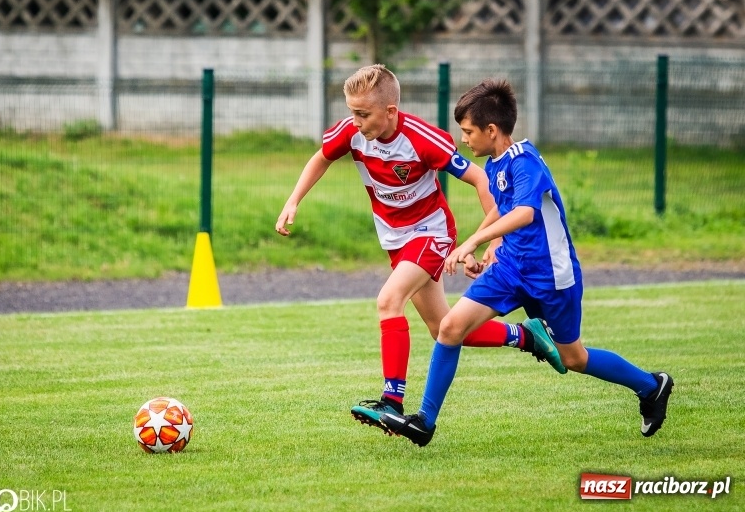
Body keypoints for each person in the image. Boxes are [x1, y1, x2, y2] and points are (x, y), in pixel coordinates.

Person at [380, 78, 674, 446]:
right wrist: (482, 246)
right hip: (510, 268)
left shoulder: (525, 161)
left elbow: (524, 213)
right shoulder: (494, 163)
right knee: (451, 327)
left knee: (574, 359)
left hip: (550, 274)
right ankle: (425, 421)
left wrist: (473, 239)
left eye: (469, 132)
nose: (464, 139)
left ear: (492, 130)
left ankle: (651, 386)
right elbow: (502, 212)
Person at [275, 65, 565, 435]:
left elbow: (479, 178)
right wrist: (293, 200)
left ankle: (391, 401)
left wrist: (493, 238)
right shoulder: (352, 132)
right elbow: (322, 157)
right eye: (352, 112)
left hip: (431, 233)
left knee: (388, 300)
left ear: (390, 111)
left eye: (363, 114)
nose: (355, 121)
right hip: (395, 239)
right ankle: (527, 336)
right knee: (443, 328)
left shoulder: (422, 138)